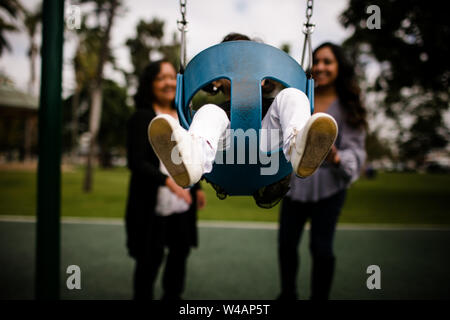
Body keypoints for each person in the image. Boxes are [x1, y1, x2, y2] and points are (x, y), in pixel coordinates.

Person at [148, 33, 338, 208]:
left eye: (250, 64)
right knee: (208, 111)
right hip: (226, 148)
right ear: (216, 80)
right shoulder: (218, 113)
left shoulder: (275, 107)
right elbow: (210, 118)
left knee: (293, 95)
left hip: (270, 145)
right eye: (231, 64)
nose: (241, 69)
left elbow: (288, 104)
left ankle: (299, 146)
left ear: (264, 78)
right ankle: (192, 157)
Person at [277, 42, 367, 300]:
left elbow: (357, 151)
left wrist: (337, 157)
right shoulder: (301, 98)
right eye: (316, 61)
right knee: (286, 245)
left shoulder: (349, 105)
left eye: (327, 62)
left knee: (321, 248)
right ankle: (288, 293)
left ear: (339, 67)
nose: (320, 67)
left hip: (329, 185)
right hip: (294, 185)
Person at [125, 60, 206, 300]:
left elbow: (191, 156)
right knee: (149, 261)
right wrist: (169, 183)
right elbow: (137, 163)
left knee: (179, 256)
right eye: (161, 78)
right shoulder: (142, 117)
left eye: (172, 77)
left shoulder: (184, 116)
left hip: (181, 202)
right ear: (150, 84)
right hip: (152, 203)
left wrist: (198, 187)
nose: (168, 82)